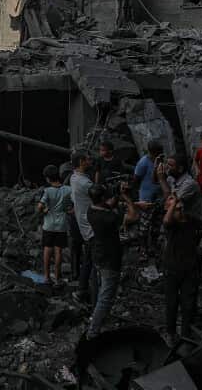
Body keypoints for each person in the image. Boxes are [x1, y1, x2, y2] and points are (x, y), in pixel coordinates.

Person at [160, 154, 202, 342]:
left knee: (187, 301)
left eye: (171, 165)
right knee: (172, 302)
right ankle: (171, 332)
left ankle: (186, 332)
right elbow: (167, 216)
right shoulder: (171, 226)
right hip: (174, 267)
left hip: (188, 266)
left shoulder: (192, 221)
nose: (167, 167)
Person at [87, 182, 138, 338]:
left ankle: (98, 317)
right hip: (110, 259)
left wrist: (116, 195)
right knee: (106, 296)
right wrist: (127, 199)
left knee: (101, 288)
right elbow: (133, 216)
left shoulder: (91, 210)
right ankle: (93, 331)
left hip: (98, 255)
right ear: (102, 198)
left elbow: (108, 204)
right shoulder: (108, 217)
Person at [37, 164, 73, 284]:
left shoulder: (47, 191)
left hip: (49, 225)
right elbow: (72, 206)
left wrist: (44, 211)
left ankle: (47, 277)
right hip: (62, 225)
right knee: (59, 251)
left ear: (47, 178)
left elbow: (39, 207)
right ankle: (57, 278)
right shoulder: (68, 189)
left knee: (47, 250)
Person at [69, 151, 97, 303]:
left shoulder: (74, 178)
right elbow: (101, 199)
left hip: (84, 226)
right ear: (81, 162)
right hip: (92, 227)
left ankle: (83, 290)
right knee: (92, 261)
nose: (90, 160)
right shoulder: (85, 184)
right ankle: (89, 293)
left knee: (88, 259)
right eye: (87, 159)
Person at [132, 141, 165, 256]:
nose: (162, 154)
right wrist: (137, 200)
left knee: (156, 224)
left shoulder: (160, 162)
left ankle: (153, 246)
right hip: (146, 199)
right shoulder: (143, 162)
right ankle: (143, 248)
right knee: (144, 227)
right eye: (160, 152)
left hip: (158, 198)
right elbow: (136, 180)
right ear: (154, 152)